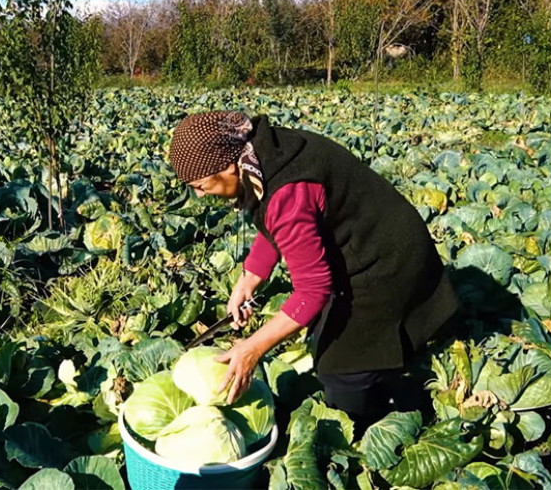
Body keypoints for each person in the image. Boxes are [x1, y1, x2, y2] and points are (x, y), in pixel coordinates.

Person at [167, 111, 459, 430]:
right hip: (378, 235)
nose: (198, 194)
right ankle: (385, 375)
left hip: (387, 260)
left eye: (200, 185)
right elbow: (276, 221)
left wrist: (252, 348)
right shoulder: (265, 152)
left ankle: (388, 416)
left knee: (343, 369)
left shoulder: (284, 188)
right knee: (330, 335)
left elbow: (312, 289)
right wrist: (250, 277)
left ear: (226, 166)